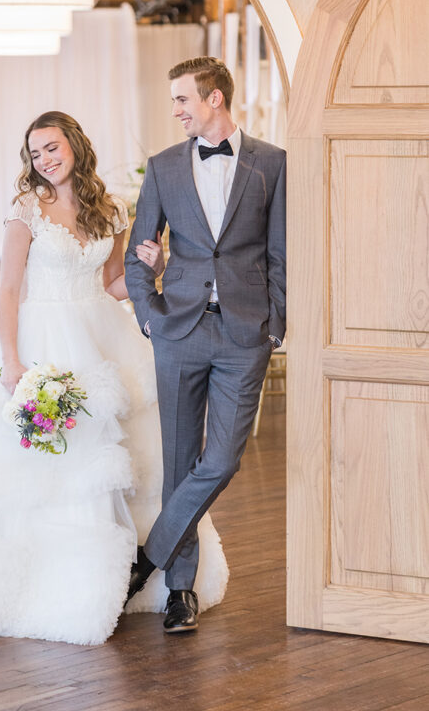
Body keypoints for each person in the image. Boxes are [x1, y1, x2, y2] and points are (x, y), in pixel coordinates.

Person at [0, 110, 228, 647]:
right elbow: (8, 291)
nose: (45, 160)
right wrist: (12, 361)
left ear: (75, 145)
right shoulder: (26, 210)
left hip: (101, 335)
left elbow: (111, 282)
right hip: (43, 339)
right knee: (45, 461)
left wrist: (152, 270)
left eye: (52, 147)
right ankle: (41, 583)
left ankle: (136, 575)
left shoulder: (110, 208)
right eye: (35, 153)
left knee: (125, 452)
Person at [124, 57, 286, 634]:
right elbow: (138, 250)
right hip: (179, 330)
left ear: (214, 98)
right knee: (177, 462)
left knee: (220, 460)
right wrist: (148, 315)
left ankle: (149, 555)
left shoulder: (272, 163)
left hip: (246, 334)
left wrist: (276, 326)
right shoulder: (164, 166)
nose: (175, 111)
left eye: (182, 99)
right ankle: (179, 590)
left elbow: (281, 253)